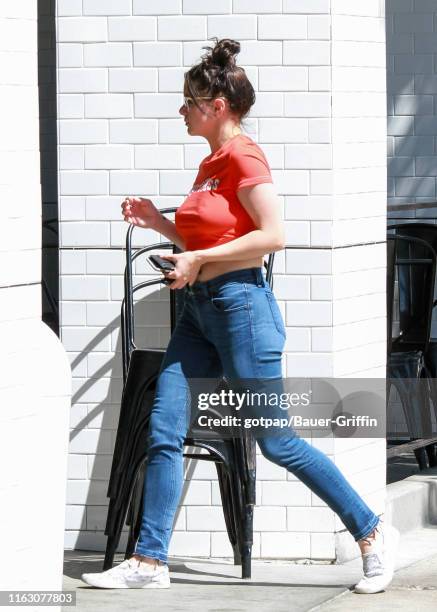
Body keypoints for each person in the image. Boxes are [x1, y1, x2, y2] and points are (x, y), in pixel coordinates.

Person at [81, 38, 399, 594]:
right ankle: (150, 562)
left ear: (218, 106)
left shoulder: (244, 156)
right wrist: (162, 224)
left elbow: (272, 237)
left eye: (189, 101)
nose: (182, 109)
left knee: (277, 442)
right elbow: (211, 239)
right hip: (200, 312)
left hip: (242, 311)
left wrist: (200, 258)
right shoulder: (209, 164)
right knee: (164, 429)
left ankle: (371, 533)